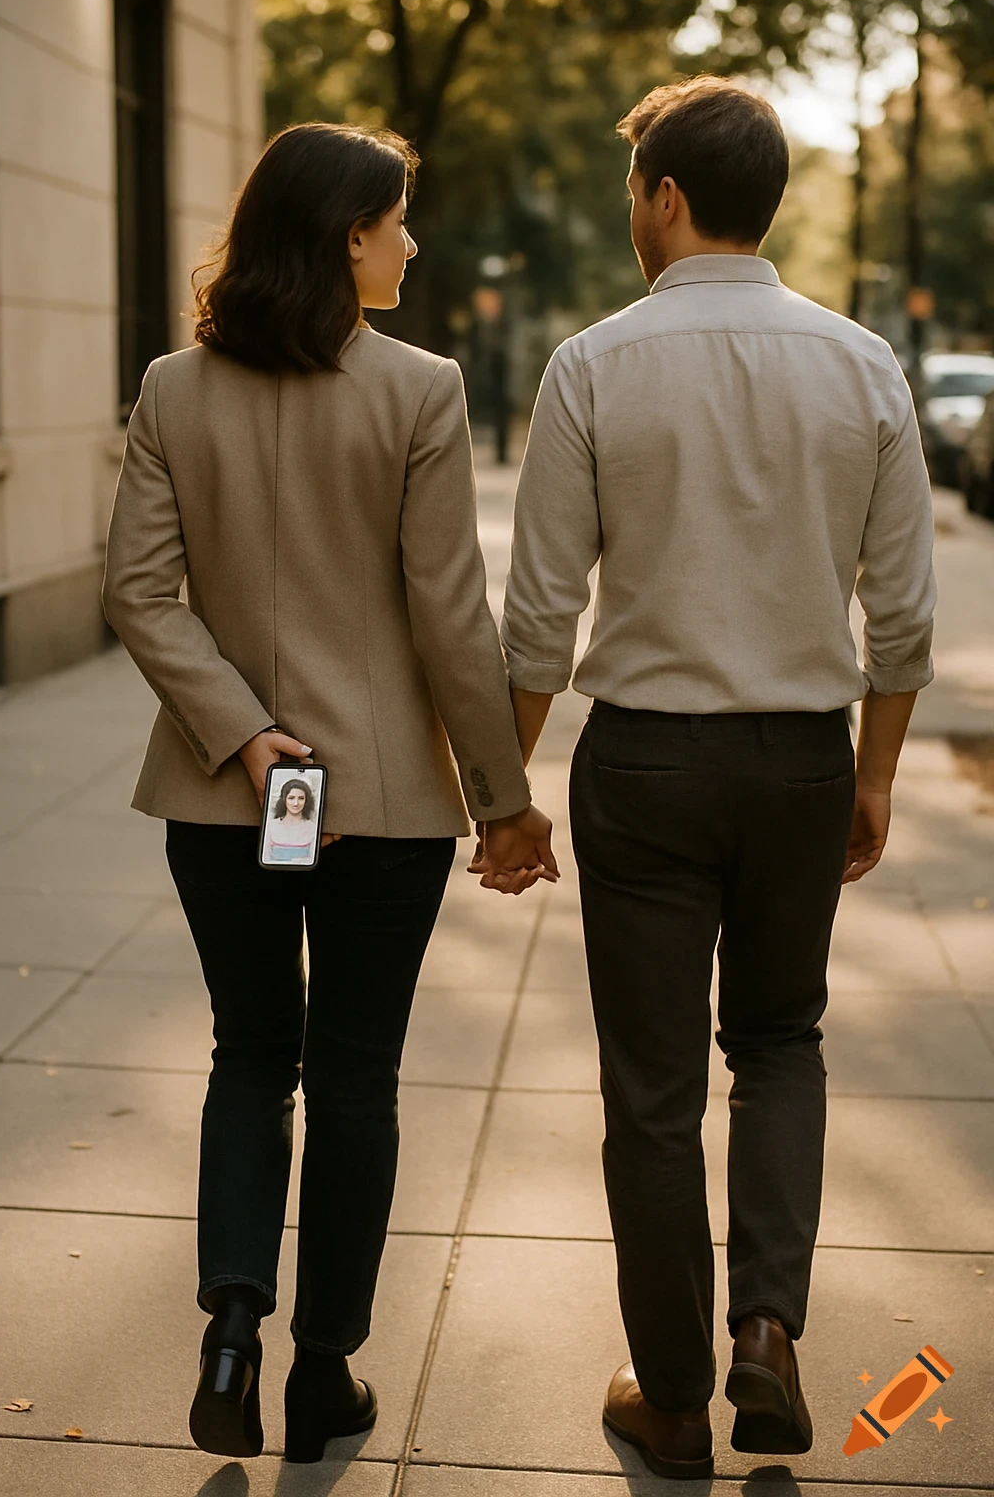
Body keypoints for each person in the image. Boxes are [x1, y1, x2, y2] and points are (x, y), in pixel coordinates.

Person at [500, 77, 936, 1479]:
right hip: (802, 760)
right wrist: (872, 779)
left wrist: (504, 791)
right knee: (782, 1043)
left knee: (651, 1089)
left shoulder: (591, 365)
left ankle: (675, 1395)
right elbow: (908, 614)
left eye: (637, 191)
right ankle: (766, 1331)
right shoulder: (865, 364)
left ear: (666, 196)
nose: (634, 215)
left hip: (642, 763)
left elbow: (540, 618)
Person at [103, 121, 557, 1465]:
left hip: (223, 795)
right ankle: (324, 1371)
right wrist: (503, 797)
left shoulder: (174, 390)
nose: (410, 242)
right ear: (342, 235)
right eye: (395, 220)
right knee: (354, 1077)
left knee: (251, 1054)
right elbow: (446, 615)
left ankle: (233, 1324)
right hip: (379, 805)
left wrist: (244, 736)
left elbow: (137, 593)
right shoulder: (421, 389)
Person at [265, 779, 317, 864]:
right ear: (284, 799)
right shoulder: (270, 826)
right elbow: (265, 858)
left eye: (301, 798)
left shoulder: (313, 828)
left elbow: (312, 860)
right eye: (291, 798)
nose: (296, 803)